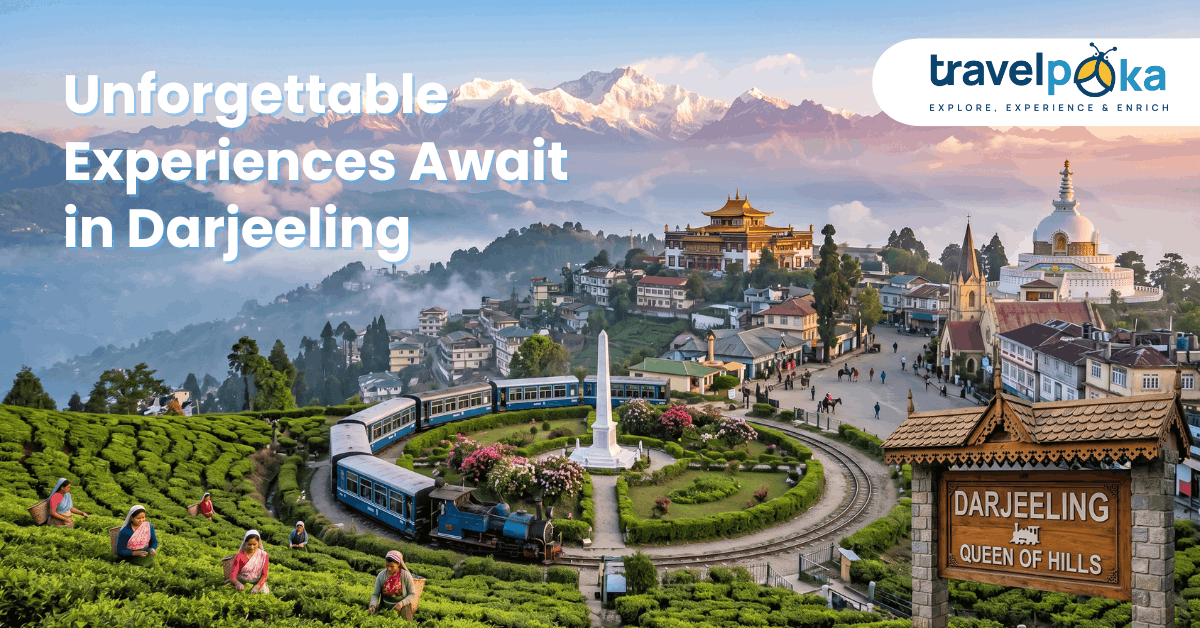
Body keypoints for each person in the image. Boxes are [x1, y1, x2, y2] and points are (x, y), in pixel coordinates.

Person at [370, 550, 417, 619]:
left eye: (392, 566)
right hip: (385, 608)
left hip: (403, 609)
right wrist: (373, 605)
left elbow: (412, 594)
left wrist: (402, 603)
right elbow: (375, 594)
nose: (389, 568)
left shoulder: (405, 575)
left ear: (398, 564)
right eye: (387, 565)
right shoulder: (381, 575)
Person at [229, 530, 270, 594]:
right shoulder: (239, 556)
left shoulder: (263, 555)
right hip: (241, 583)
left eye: (254, 544)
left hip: (257, 583)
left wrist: (257, 586)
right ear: (245, 543)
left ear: (258, 543)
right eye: (249, 544)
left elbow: (264, 575)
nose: (252, 547)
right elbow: (232, 576)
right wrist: (238, 584)